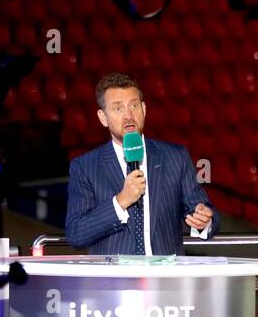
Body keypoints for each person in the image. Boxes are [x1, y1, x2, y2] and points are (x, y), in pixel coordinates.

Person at [65, 72, 219, 255]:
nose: (128, 115)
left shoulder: (175, 157)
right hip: (112, 280)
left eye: (134, 105)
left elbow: (203, 210)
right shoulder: (85, 167)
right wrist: (121, 201)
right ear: (103, 118)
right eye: (118, 109)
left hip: (164, 279)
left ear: (144, 109)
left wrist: (204, 220)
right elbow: (76, 234)